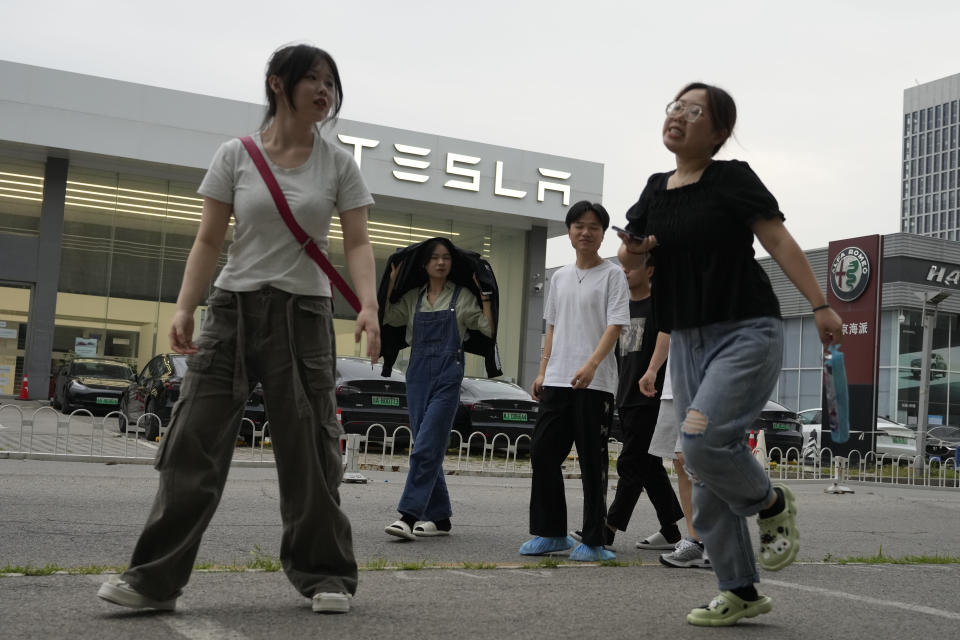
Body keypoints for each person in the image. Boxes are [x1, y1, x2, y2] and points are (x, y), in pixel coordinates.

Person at [96, 43, 380, 615]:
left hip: (303, 315)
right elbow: (208, 239)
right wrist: (184, 307)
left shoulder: (339, 164)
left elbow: (356, 241)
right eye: (313, 80)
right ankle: (154, 580)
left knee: (310, 448)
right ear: (279, 84)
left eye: (331, 82)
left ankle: (325, 573)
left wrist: (368, 307)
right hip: (231, 311)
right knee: (191, 443)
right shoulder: (237, 155)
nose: (325, 91)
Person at [618, 82, 843, 626]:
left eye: (695, 112)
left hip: (745, 330)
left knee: (699, 437)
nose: (679, 116)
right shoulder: (655, 189)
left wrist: (820, 305)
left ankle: (770, 504)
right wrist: (636, 247)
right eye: (675, 106)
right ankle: (739, 588)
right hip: (689, 339)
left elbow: (779, 241)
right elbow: (631, 246)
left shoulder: (731, 179)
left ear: (718, 133)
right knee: (698, 458)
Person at [520, 201, 630, 562]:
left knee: (591, 461)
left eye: (594, 227)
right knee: (543, 453)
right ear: (569, 231)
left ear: (602, 234)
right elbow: (551, 326)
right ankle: (551, 533)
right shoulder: (561, 277)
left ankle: (595, 541)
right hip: (556, 381)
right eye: (579, 225)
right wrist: (542, 370)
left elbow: (615, 325)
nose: (586, 232)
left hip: (594, 384)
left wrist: (592, 365)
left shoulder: (613, 275)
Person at [570, 254, 684, 551]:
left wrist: (652, 371)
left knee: (631, 462)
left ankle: (606, 528)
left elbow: (667, 336)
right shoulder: (620, 306)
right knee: (649, 465)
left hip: (650, 396)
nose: (625, 271)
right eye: (623, 265)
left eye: (632, 266)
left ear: (650, 269)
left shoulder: (660, 304)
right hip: (624, 395)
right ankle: (671, 532)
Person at [381, 238, 493, 539]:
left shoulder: (462, 297)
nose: (441, 262)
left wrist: (485, 297)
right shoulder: (413, 299)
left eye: (446, 257)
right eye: (434, 258)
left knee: (426, 444)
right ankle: (440, 519)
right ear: (424, 264)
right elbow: (387, 315)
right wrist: (390, 283)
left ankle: (408, 514)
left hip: (447, 375)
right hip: (416, 375)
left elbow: (488, 328)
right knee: (425, 443)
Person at [646, 364, 711, 569]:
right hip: (674, 384)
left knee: (694, 457)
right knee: (679, 461)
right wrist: (652, 369)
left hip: (704, 378)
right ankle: (696, 540)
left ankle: (715, 539)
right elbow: (667, 333)